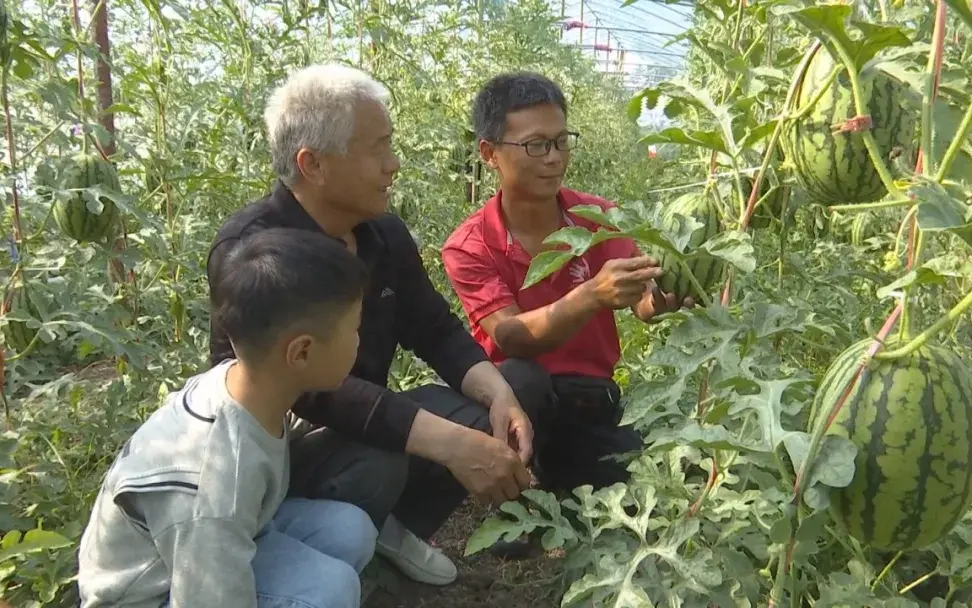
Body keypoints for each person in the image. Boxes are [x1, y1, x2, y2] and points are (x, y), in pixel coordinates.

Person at [205, 64, 551, 586]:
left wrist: (498, 393)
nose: (393, 165)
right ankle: (323, 556)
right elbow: (314, 394)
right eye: (377, 149)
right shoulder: (253, 254)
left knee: (518, 386)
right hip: (283, 453)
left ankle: (395, 530)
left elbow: (432, 327)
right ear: (313, 164)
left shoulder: (381, 234)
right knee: (381, 459)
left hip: (366, 422)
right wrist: (451, 443)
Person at [441, 72, 694, 557]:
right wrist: (591, 295)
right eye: (536, 145)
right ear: (489, 153)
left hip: (588, 400)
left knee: (629, 497)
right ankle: (513, 497)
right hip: (516, 402)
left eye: (561, 141)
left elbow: (642, 304)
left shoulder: (599, 217)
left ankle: (557, 487)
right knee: (521, 378)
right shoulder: (470, 245)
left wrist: (661, 300)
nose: (555, 157)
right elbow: (511, 335)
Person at [78, 227, 380, 607]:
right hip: (156, 592)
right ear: (301, 352)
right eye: (354, 328)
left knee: (350, 531)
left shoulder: (249, 389)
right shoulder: (217, 478)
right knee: (331, 590)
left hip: (213, 545)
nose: (359, 339)